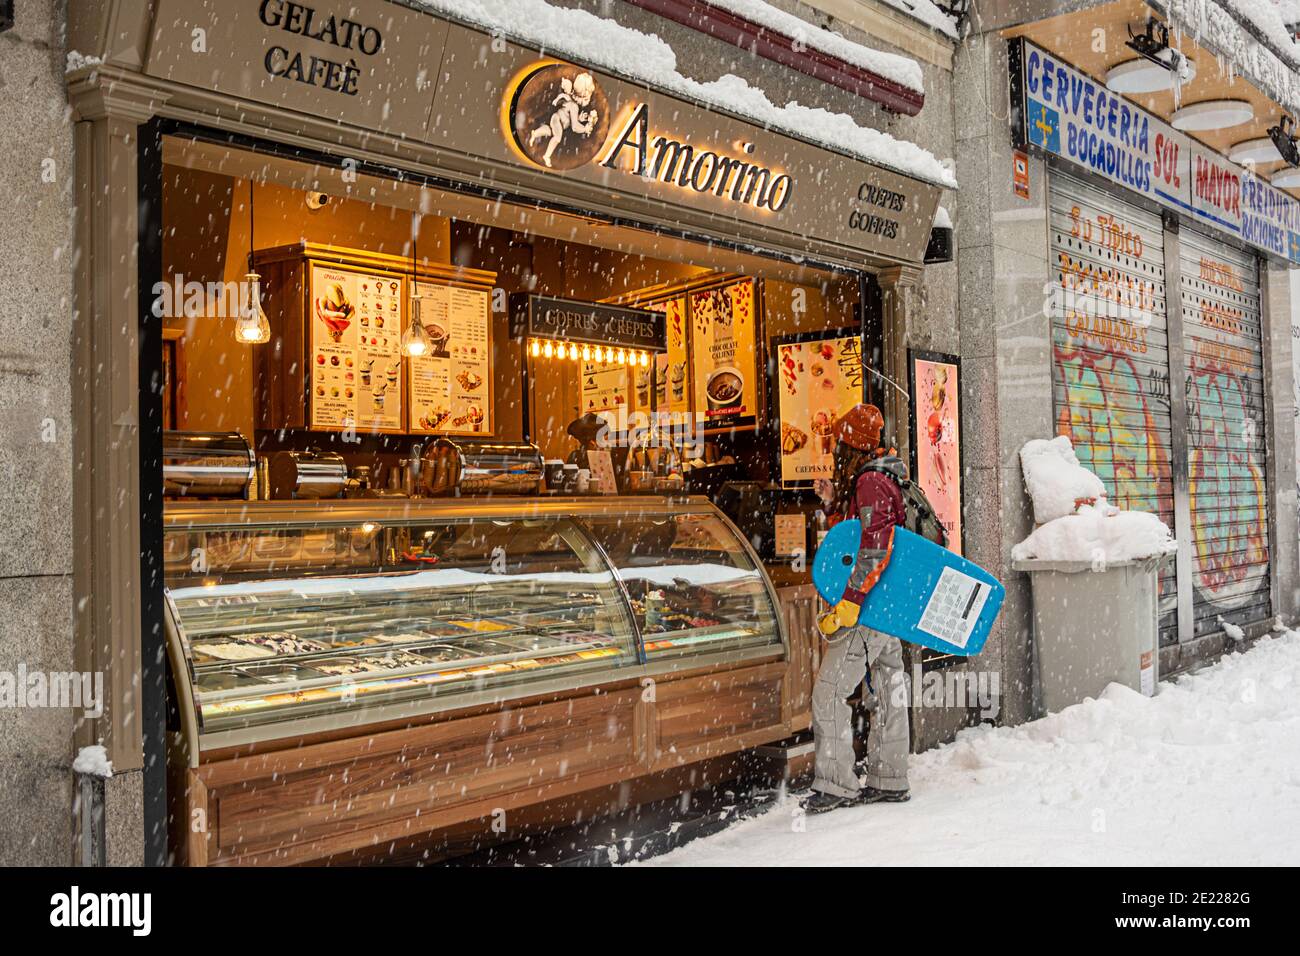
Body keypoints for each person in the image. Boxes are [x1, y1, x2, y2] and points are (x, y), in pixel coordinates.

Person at [802, 403, 913, 814]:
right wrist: (834, 506)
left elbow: (873, 548)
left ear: (852, 446)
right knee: (889, 687)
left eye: (839, 443)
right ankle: (889, 776)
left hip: (869, 609)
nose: (834, 451)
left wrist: (851, 604)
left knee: (829, 693)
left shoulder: (870, 482)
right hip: (889, 605)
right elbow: (861, 536)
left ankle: (835, 784)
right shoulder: (887, 475)